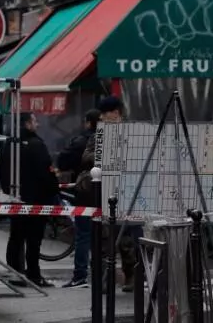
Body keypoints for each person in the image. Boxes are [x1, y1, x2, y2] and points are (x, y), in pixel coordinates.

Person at [77, 96, 137, 291]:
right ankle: (104, 280)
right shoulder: (99, 136)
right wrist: (105, 154)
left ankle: (131, 277)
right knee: (103, 240)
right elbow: (86, 158)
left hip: (126, 193)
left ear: (116, 113)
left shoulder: (132, 133)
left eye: (105, 114)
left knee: (126, 240)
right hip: (104, 192)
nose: (101, 117)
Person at [0, 112, 59, 288]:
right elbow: (45, 172)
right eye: (34, 121)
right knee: (34, 239)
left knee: (16, 237)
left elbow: (2, 169)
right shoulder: (37, 145)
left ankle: (15, 273)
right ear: (26, 124)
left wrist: (7, 191)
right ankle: (33, 275)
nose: (38, 124)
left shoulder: (9, 144)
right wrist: (53, 188)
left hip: (15, 198)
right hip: (36, 200)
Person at [61, 108, 101, 288]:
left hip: (85, 194)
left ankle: (80, 275)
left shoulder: (81, 141)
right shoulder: (109, 139)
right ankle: (101, 277)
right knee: (102, 236)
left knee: (83, 235)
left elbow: (63, 161)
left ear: (88, 122)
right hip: (104, 194)